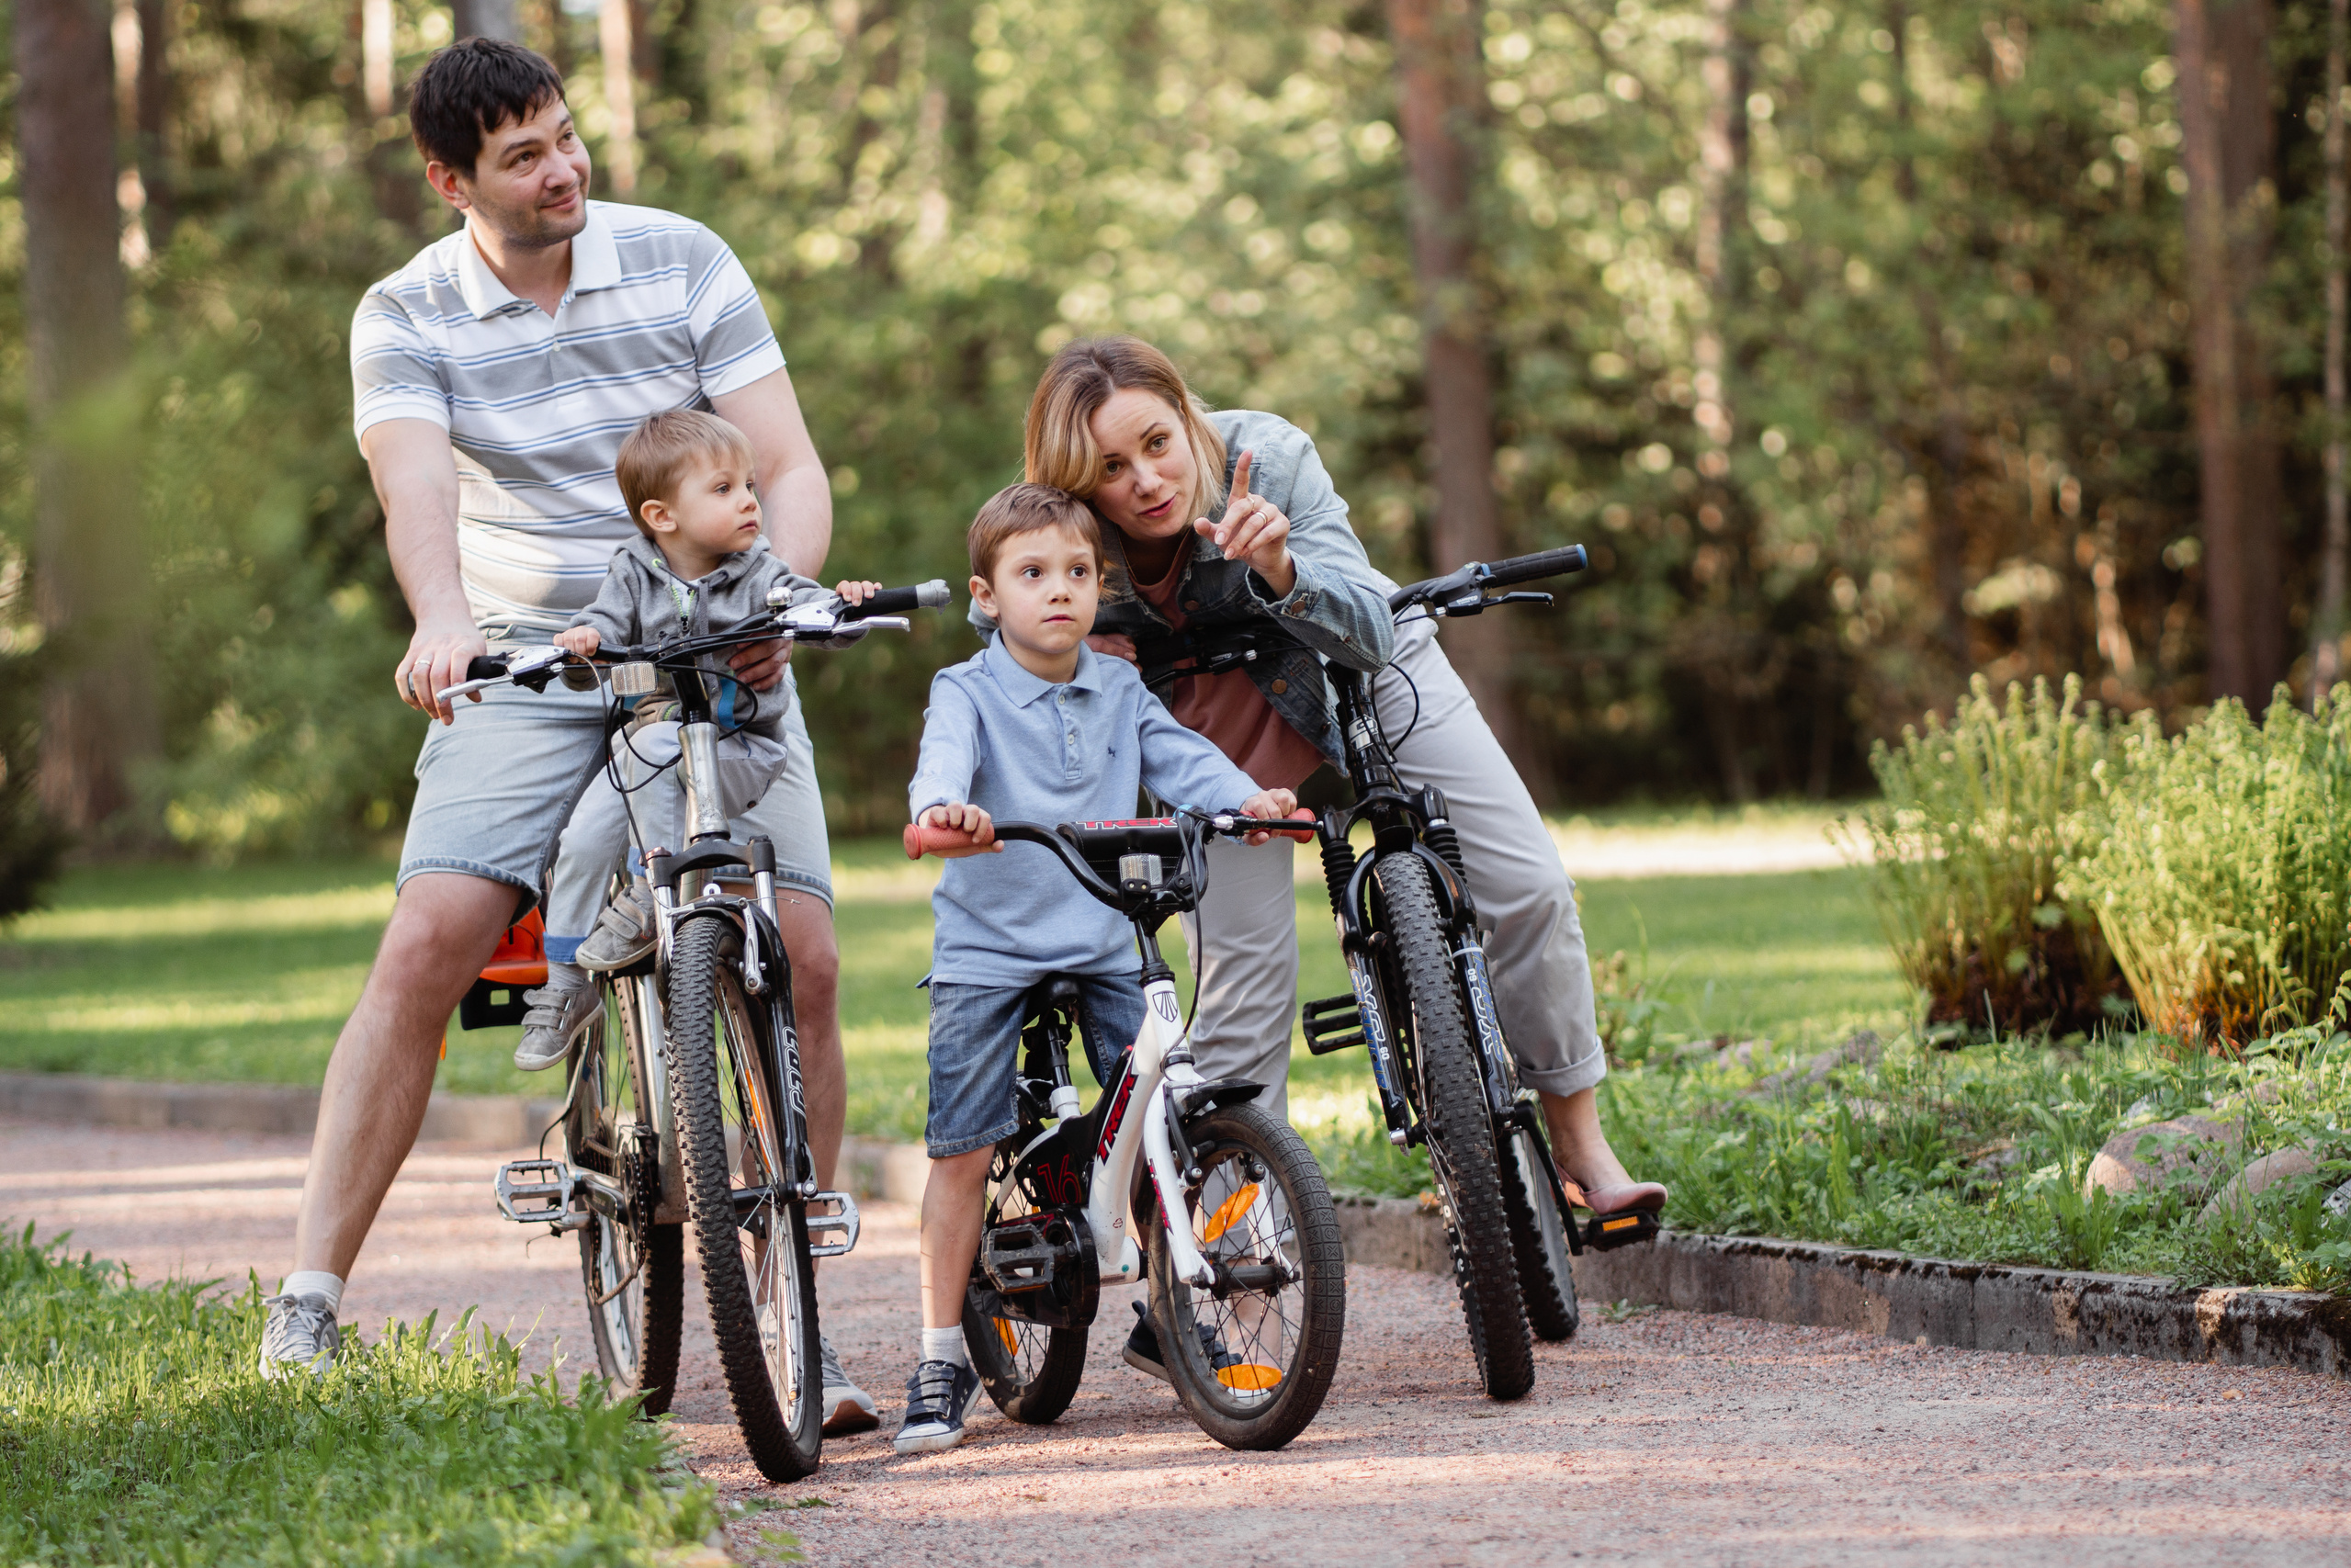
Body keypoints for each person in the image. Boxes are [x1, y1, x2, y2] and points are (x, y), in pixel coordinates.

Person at [265, 39, 880, 1434]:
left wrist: (766, 596)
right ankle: (306, 1298)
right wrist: (442, 621)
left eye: (564, 135)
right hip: (532, 651)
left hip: (715, 642)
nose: (565, 169)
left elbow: (784, 461)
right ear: (451, 182)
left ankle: (800, 1319)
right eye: (525, 155)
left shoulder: (679, 258)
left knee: (811, 947)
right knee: (430, 938)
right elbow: (414, 481)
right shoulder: (403, 311)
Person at [1013, 336, 1667, 1220]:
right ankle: (1243, 1243)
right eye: (1111, 467)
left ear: (1186, 415)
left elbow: (1370, 629)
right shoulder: (1055, 532)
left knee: (1533, 888)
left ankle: (1580, 1141)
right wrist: (1063, 656)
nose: (1147, 481)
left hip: (1359, 670)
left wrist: (1283, 568)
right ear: (1075, 479)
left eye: (1158, 443)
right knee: (1241, 980)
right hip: (1215, 727)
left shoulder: (1267, 457)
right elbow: (1009, 666)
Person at [896, 484, 1296, 1454]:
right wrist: (948, 812)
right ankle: (942, 1351)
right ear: (987, 595)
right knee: (961, 1145)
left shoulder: (1118, 687)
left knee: (1163, 1103)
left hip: (1103, 937)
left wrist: (1250, 801)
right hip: (990, 953)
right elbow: (940, 765)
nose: (1059, 592)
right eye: (1032, 575)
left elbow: (1184, 758)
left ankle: (1175, 1312)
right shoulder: (967, 690)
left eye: (1077, 573)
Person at [521, 410, 876, 1065]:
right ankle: (568, 982)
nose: (749, 500)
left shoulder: (757, 569)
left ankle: (643, 890)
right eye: (723, 489)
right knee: (583, 837)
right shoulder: (632, 568)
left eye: (749, 485)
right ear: (662, 516)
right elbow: (598, 627)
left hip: (740, 749)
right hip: (652, 742)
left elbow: (807, 602)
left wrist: (845, 606)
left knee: (653, 756)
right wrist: (582, 644)